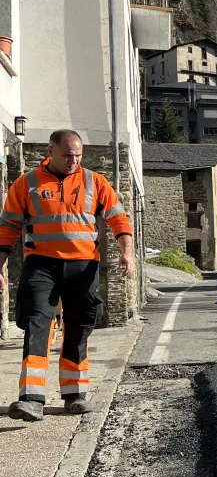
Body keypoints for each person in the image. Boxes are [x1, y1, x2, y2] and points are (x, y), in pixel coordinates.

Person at [1, 130, 135, 422]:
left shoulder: (95, 181)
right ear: (50, 151)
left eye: (78, 155)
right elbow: (8, 227)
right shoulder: (27, 184)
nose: (73, 161)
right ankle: (31, 399)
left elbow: (118, 218)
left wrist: (128, 252)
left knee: (78, 326)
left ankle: (75, 395)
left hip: (83, 266)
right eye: (66, 155)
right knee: (38, 322)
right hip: (41, 265)